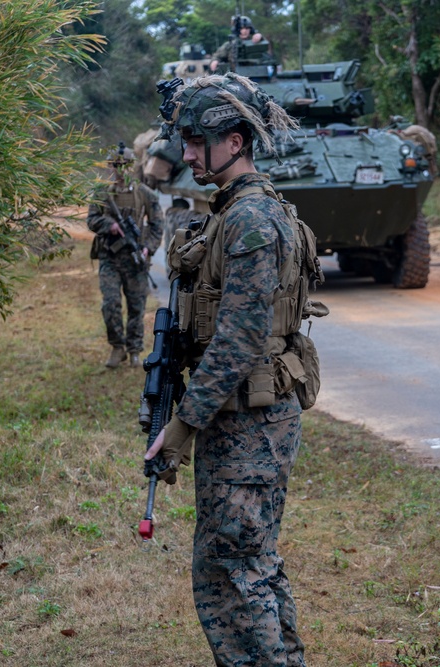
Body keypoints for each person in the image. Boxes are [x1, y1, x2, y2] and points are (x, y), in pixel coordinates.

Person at [144, 72, 321, 667]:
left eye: (197, 142)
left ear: (236, 142)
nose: (187, 153)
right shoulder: (237, 211)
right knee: (250, 566)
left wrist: (182, 428)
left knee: (232, 575)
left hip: (250, 425)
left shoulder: (249, 220)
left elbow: (242, 338)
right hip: (244, 420)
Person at [86, 144, 164, 368]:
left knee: (137, 306)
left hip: (135, 259)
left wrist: (148, 247)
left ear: (132, 166)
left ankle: (134, 350)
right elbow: (91, 220)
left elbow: (158, 224)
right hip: (109, 257)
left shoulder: (144, 193)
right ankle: (117, 347)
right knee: (110, 304)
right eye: (116, 165)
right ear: (110, 166)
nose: (120, 170)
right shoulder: (102, 193)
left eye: (125, 165)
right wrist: (108, 224)